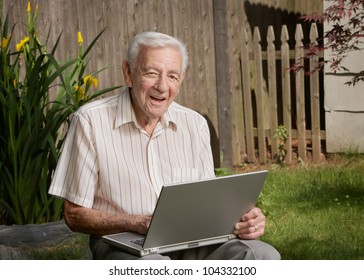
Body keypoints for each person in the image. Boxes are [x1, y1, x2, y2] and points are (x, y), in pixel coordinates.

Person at [49, 31, 280, 260]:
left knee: (262, 256)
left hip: (191, 240)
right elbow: (73, 214)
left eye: (172, 76)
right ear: (128, 73)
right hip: (124, 244)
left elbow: (208, 205)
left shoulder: (195, 125)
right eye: (151, 73)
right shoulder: (90, 121)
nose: (162, 86)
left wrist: (244, 220)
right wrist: (135, 222)